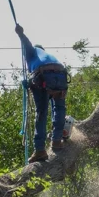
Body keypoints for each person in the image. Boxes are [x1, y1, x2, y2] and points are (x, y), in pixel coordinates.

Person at [15, 24, 69, 162]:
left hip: (43, 75)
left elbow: (27, 45)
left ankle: (40, 150)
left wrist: (21, 34)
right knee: (59, 107)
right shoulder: (48, 55)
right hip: (61, 74)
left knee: (42, 112)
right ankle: (57, 141)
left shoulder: (32, 52)